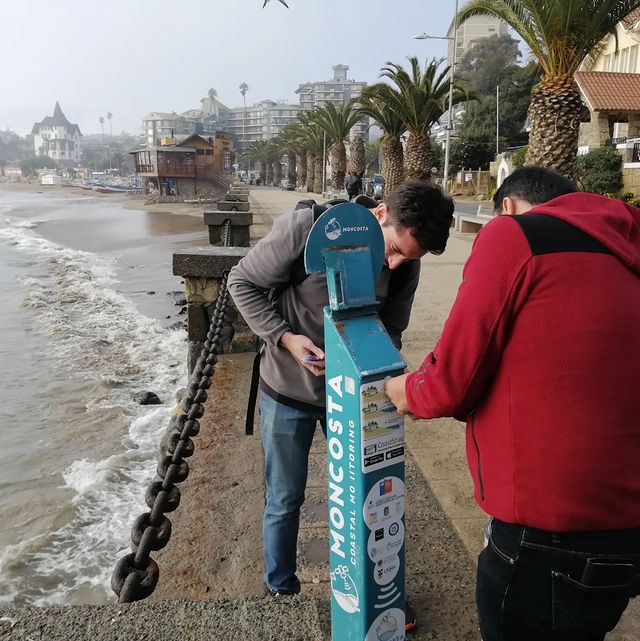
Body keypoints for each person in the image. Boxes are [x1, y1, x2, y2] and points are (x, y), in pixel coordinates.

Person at [384, 166, 640, 641]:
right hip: (627, 526)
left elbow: (453, 378)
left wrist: (406, 391)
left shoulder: (516, 236)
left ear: (506, 207)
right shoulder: (627, 241)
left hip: (549, 528)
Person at [228, 180, 454, 626]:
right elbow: (242, 282)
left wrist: (374, 368)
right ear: (381, 212)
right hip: (287, 391)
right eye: (392, 249)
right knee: (285, 497)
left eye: (406, 259)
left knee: (364, 495)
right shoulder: (306, 228)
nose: (391, 265)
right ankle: (281, 590)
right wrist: (286, 338)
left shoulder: (407, 262)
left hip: (350, 398)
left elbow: (391, 328)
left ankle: (374, 591)